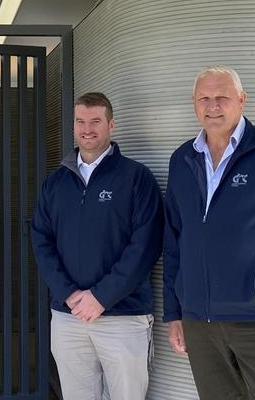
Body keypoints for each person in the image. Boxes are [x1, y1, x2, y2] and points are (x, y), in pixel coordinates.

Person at [31, 92, 163, 400]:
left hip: (123, 317)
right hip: (69, 316)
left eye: (95, 121)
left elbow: (146, 245)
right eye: (80, 121)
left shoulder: (136, 178)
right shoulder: (55, 182)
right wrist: (70, 294)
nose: (87, 129)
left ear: (111, 125)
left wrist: (101, 297)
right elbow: (41, 240)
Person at [163, 66, 255, 399]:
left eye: (222, 97)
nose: (212, 107)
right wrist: (174, 312)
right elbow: (174, 241)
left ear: (242, 100)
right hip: (199, 322)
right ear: (193, 103)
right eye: (204, 99)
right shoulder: (182, 159)